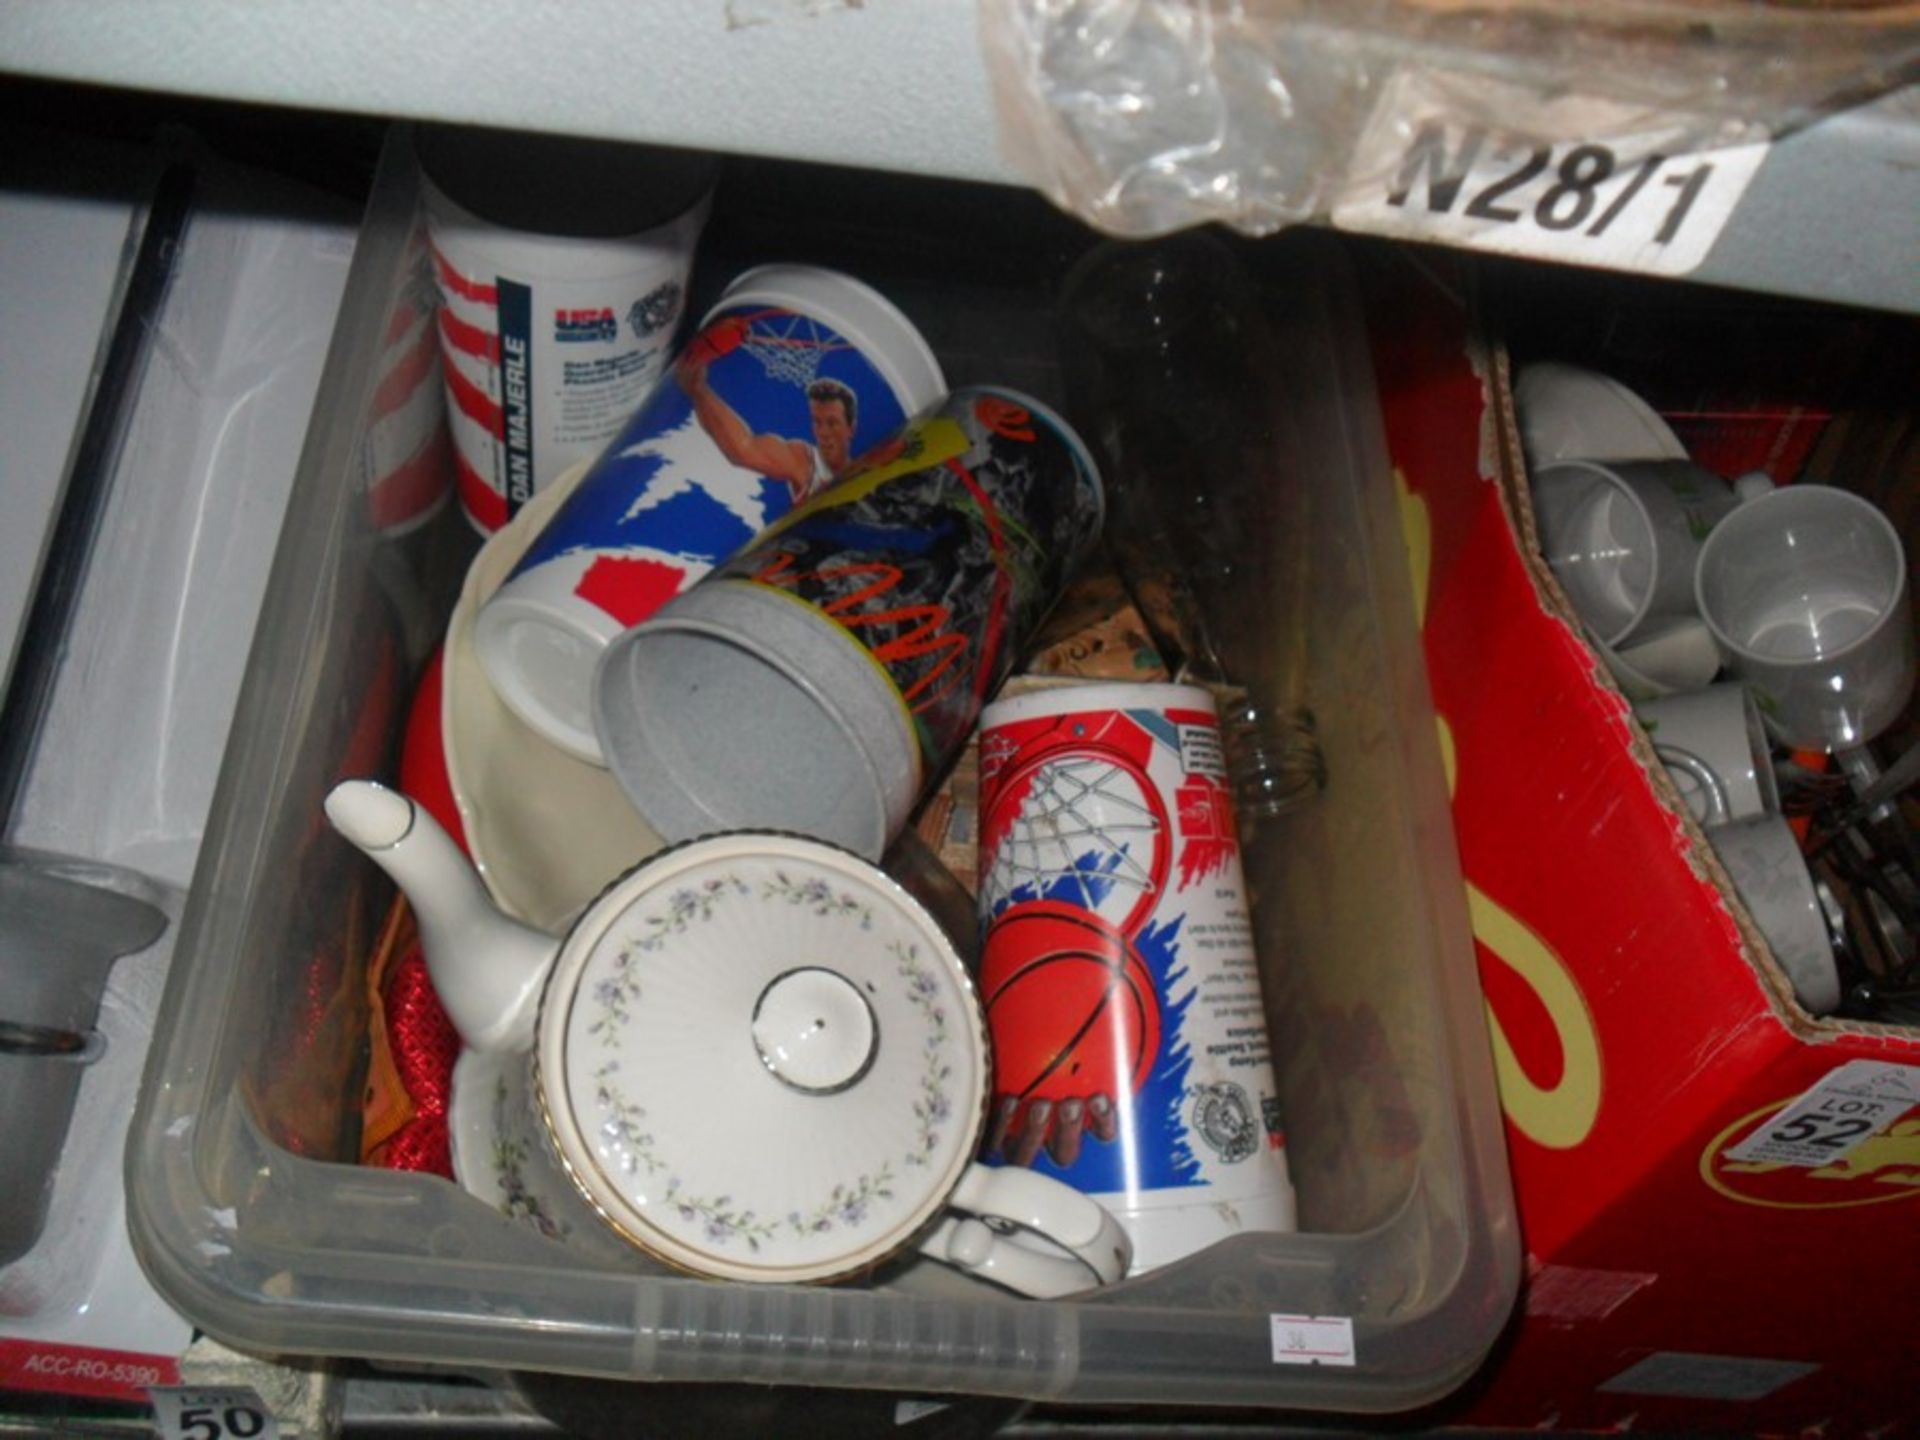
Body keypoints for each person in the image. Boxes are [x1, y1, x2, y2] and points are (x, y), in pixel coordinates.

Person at [675, 321, 857, 504]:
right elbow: (743, 450)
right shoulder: (806, 464)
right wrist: (699, 391)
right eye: (817, 422)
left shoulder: (872, 460)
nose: (823, 432)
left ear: (851, 428)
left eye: (832, 423)